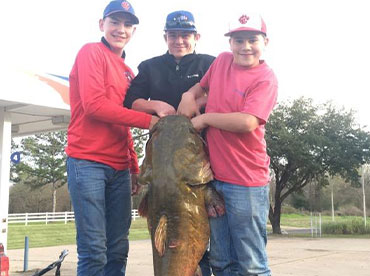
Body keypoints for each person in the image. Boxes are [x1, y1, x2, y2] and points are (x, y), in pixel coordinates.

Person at [178, 13, 278, 276]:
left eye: (252, 40)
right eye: (238, 40)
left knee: (251, 264)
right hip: (214, 180)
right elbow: (200, 88)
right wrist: (189, 95)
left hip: (246, 182)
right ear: (230, 43)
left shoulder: (265, 78)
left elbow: (248, 122)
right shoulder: (221, 62)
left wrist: (205, 119)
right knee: (221, 261)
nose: (245, 47)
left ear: (265, 41)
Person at [65, 1, 158, 275]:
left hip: (119, 169)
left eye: (128, 24)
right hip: (87, 162)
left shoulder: (129, 71)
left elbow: (122, 123)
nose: (121, 29)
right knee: (94, 250)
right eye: (115, 22)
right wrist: (150, 120)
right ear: (101, 25)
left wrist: (133, 166)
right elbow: (94, 106)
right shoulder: (90, 52)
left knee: (118, 247)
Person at [124, 10, 215, 276]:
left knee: (207, 237)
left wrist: (193, 103)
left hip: (199, 160)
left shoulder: (210, 63)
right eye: (173, 35)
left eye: (185, 35)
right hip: (162, 164)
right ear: (165, 36)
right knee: (166, 238)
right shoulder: (150, 66)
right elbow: (132, 102)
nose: (179, 40)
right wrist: (155, 105)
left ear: (196, 36)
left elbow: (220, 95)